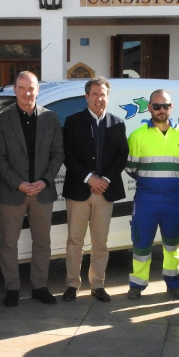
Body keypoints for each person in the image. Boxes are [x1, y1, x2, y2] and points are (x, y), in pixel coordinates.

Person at [0, 71, 65, 307]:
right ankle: (12, 288)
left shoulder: (50, 118)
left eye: (31, 88)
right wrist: (19, 183)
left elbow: (58, 154)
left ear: (37, 90)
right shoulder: (2, 120)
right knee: (8, 244)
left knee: (42, 242)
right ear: (15, 90)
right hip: (13, 191)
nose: (27, 93)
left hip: (42, 191)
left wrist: (45, 180)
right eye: (22, 88)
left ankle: (39, 286)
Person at [61, 77, 129, 303]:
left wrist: (105, 179)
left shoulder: (117, 123)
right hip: (79, 191)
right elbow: (67, 155)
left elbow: (122, 156)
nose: (99, 98)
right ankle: (72, 284)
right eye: (95, 94)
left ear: (107, 97)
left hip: (105, 191)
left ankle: (97, 284)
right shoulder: (72, 122)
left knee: (100, 242)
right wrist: (90, 178)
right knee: (74, 241)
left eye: (103, 94)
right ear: (87, 96)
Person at [124, 89, 179, 300]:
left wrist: (170, 180)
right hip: (146, 200)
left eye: (165, 106)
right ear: (149, 108)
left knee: (173, 246)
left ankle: (174, 284)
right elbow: (130, 168)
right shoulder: (138, 135)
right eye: (157, 106)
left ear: (171, 108)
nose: (161, 110)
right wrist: (151, 181)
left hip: (173, 199)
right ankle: (137, 284)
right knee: (141, 244)